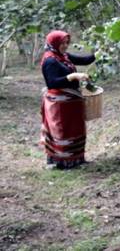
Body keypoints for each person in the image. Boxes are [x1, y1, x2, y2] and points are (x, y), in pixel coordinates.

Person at [40, 30, 95, 169]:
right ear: (54, 43)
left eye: (67, 43)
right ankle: (63, 162)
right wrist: (72, 77)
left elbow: (84, 60)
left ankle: (77, 159)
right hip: (59, 105)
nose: (65, 46)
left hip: (72, 103)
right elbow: (52, 83)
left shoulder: (63, 56)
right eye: (62, 43)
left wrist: (101, 53)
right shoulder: (50, 60)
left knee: (75, 130)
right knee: (62, 132)